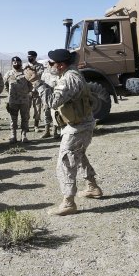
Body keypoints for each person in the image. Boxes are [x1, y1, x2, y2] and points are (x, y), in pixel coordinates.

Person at [47, 49, 102, 216]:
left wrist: (37, 83)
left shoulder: (69, 78)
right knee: (78, 157)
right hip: (81, 125)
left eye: (52, 63)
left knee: (65, 162)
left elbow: (52, 101)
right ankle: (92, 187)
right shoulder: (71, 73)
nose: (50, 66)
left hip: (77, 128)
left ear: (61, 65)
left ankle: (68, 202)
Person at [5, 56, 33, 143]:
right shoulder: (8, 74)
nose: (16, 64)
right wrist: (11, 94)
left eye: (18, 62)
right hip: (13, 101)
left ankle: (24, 135)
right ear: (12, 63)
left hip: (24, 100)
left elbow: (30, 85)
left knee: (25, 118)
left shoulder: (26, 73)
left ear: (21, 63)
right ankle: (13, 135)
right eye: (14, 62)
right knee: (13, 119)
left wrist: (24, 93)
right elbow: (5, 85)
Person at [37, 61, 60, 139]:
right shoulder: (45, 73)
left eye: (52, 63)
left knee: (55, 114)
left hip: (55, 98)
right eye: (49, 63)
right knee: (46, 114)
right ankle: (46, 131)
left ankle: (55, 132)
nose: (50, 65)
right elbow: (42, 83)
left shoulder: (58, 73)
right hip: (46, 98)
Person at [24, 51, 45, 132]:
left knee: (37, 108)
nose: (29, 58)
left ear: (35, 57)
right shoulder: (25, 66)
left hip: (37, 91)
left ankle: (36, 126)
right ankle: (26, 126)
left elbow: (38, 76)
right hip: (27, 91)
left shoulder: (40, 66)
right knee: (26, 109)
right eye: (28, 56)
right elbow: (24, 77)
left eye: (31, 57)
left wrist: (32, 73)